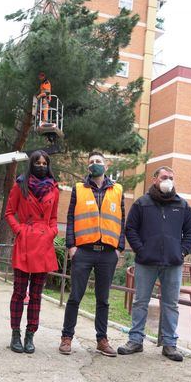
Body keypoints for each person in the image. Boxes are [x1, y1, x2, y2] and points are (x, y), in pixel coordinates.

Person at [117, 166, 191, 362]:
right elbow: (131, 229)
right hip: (146, 262)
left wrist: (182, 251)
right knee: (140, 302)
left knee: (171, 304)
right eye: (164, 177)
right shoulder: (142, 203)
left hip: (173, 263)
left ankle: (169, 344)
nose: (167, 180)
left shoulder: (182, 205)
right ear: (155, 180)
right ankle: (135, 340)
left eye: (171, 177)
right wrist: (141, 250)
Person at [59, 152, 125, 357]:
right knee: (75, 296)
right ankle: (66, 337)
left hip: (107, 252)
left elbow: (122, 219)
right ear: (87, 167)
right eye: (91, 162)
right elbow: (70, 217)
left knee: (103, 299)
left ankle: (102, 340)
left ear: (107, 166)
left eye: (98, 162)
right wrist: (71, 246)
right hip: (84, 251)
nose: (94, 165)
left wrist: (118, 248)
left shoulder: (117, 189)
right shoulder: (79, 188)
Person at [5, 150, 59, 354]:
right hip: (25, 241)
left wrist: (52, 231)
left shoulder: (54, 188)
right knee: (19, 292)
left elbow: (53, 217)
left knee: (36, 294)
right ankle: (15, 334)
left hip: (44, 243)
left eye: (45, 163)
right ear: (31, 165)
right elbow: (10, 212)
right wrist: (19, 230)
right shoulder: (20, 185)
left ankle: (30, 335)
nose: (42, 166)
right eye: (38, 163)